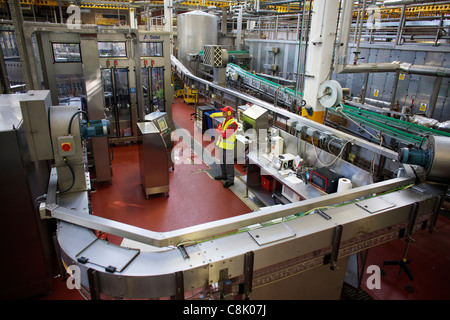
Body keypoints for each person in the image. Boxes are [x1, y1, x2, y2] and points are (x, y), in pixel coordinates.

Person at [210, 106, 238, 188]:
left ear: (229, 113)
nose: (222, 113)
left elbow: (225, 135)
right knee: (222, 162)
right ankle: (224, 175)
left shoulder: (233, 124)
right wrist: (221, 131)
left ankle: (230, 180)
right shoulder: (225, 121)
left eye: (224, 112)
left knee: (229, 164)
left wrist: (221, 131)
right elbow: (218, 129)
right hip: (222, 145)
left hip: (228, 147)